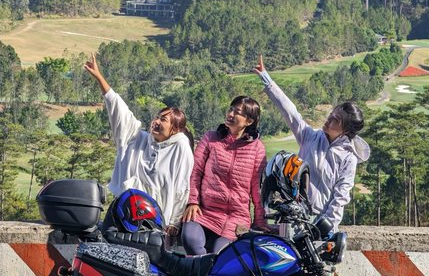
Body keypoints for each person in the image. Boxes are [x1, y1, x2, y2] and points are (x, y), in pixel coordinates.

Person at [254, 55, 370, 232]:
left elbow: (341, 196)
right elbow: (291, 113)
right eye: (332, 114)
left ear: (345, 130)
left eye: (336, 120)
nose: (329, 119)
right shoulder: (310, 137)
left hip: (321, 223)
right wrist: (267, 79)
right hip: (292, 217)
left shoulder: (348, 158)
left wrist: (325, 227)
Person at [84, 53, 194, 237]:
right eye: (157, 117)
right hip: (124, 215)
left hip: (156, 222)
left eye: (163, 120)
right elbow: (119, 110)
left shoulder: (180, 148)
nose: (156, 122)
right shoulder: (136, 139)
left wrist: (174, 221)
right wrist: (99, 78)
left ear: (174, 129)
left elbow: (182, 187)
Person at [181, 95, 269, 255]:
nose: (230, 114)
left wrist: (260, 220)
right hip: (204, 212)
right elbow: (195, 171)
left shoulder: (257, 148)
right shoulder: (211, 138)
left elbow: (258, 188)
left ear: (249, 121)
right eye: (230, 109)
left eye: (237, 112)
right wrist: (193, 201)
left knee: (222, 255)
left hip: (237, 218)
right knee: (190, 240)